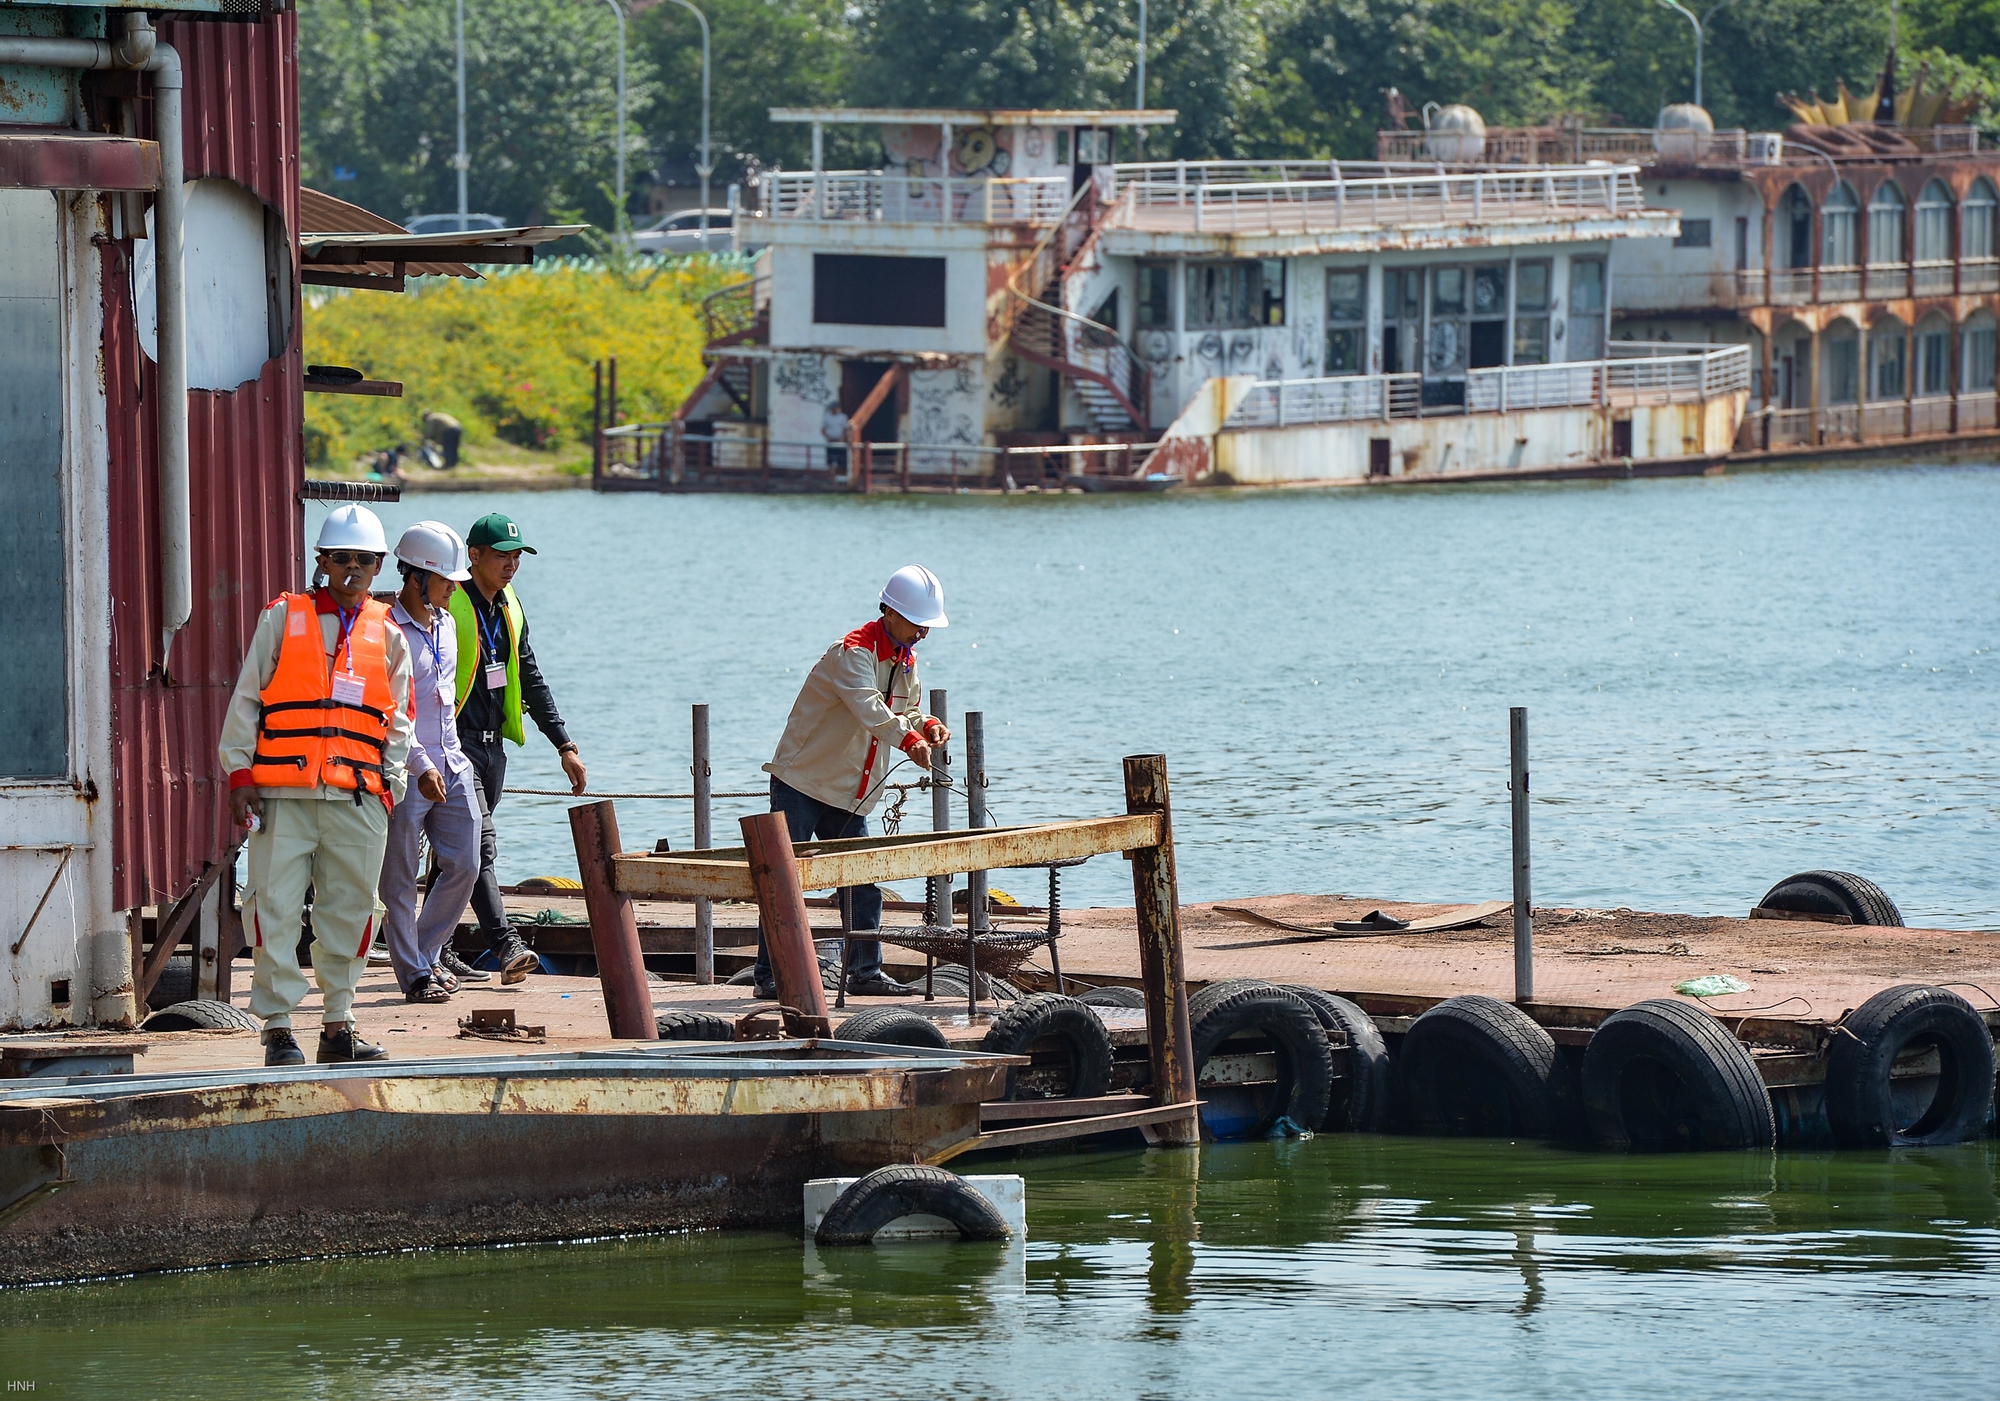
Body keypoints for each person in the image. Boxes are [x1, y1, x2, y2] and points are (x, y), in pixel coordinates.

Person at [219, 504, 414, 1066]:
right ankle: (278, 1029)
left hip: (358, 797)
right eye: (340, 558)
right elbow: (248, 698)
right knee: (273, 907)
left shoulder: (390, 634)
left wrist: (390, 787)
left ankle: (339, 1024)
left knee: (352, 909)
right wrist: (239, 774)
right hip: (283, 795)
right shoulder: (284, 617)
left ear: (379, 566)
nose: (351, 569)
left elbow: (399, 720)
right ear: (322, 561)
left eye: (363, 560)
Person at [751, 565, 951, 1000]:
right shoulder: (852, 652)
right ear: (891, 613)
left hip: (850, 794)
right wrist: (909, 738)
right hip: (803, 783)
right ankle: (768, 976)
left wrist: (928, 724)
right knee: (783, 882)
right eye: (919, 624)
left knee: (863, 884)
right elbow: (871, 709)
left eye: (926, 627)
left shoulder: (905, 659)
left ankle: (864, 972)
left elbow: (907, 709)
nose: (922, 634)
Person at [450, 512, 587, 981]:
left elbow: (530, 676)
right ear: (474, 556)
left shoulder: (510, 606)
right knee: (477, 847)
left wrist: (564, 744)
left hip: (493, 750)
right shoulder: (450, 604)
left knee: (455, 854)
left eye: (516, 557)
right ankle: (505, 944)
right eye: (502, 556)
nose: (511, 565)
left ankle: (438, 946)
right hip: (453, 746)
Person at [379, 522, 487, 1003]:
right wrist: (420, 765)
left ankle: (424, 954)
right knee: (399, 879)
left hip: (452, 762)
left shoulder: (448, 627)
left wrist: (451, 762)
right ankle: (415, 976)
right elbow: (392, 711)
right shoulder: (384, 631)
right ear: (416, 576)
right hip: (405, 771)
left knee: (466, 861)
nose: (454, 588)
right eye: (446, 581)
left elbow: (446, 700)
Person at [821, 401, 849, 474]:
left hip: (840, 441)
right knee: (830, 460)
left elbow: (845, 429)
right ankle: (833, 479)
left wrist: (842, 439)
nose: (834, 410)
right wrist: (829, 437)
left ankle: (841, 477)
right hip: (830, 442)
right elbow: (823, 430)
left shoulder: (843, 417)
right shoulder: (827, 417)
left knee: (841, 460)